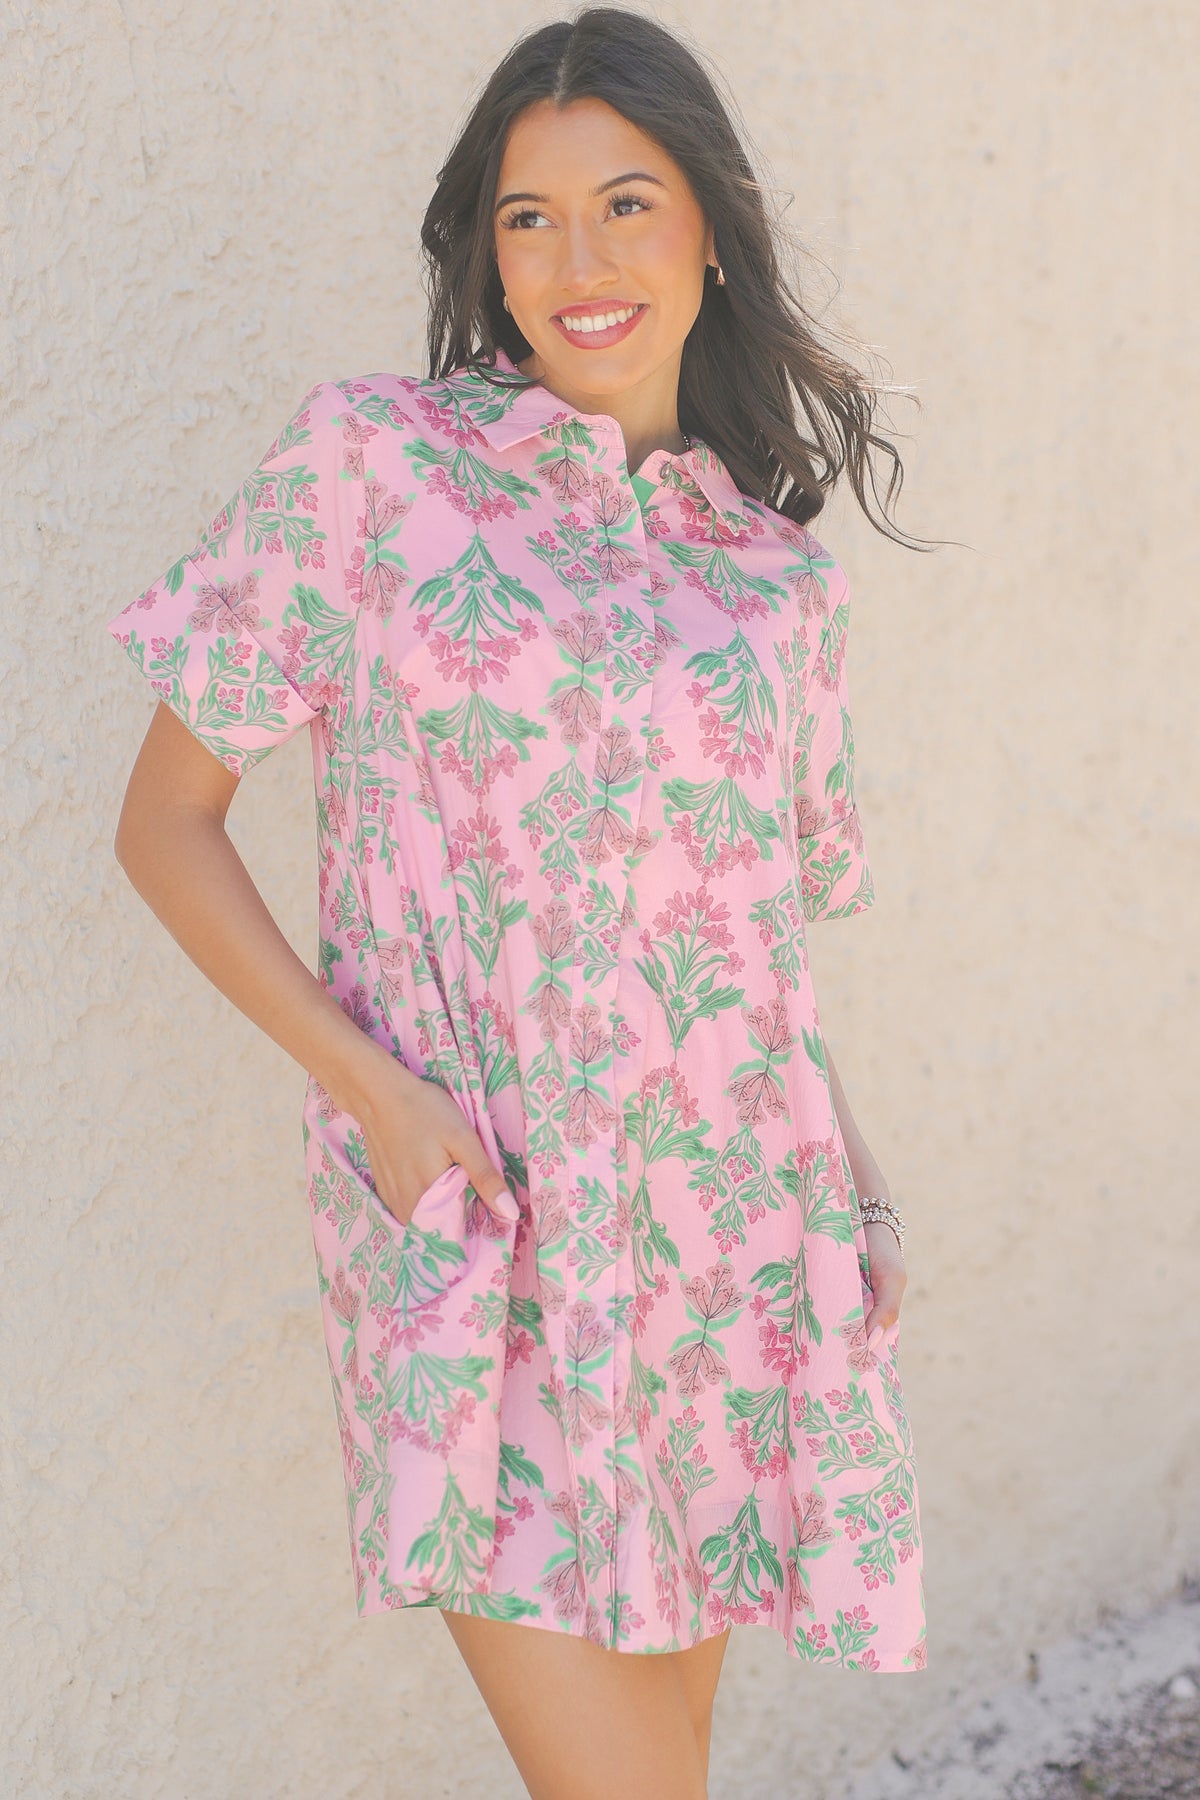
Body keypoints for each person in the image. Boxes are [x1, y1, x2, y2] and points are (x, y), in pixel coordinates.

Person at [106, 9, 931, 1796]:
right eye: (528, 216)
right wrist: (378, 1097)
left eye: (627, 204)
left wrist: (853, 1179)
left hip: (731, 1253)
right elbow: (167, 823)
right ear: (484, 251)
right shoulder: (376, 473)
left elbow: (752, 953)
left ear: (713, 228)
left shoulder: (775, 582)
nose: (579, 260)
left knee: (671, 1772)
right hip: (483, 1238)